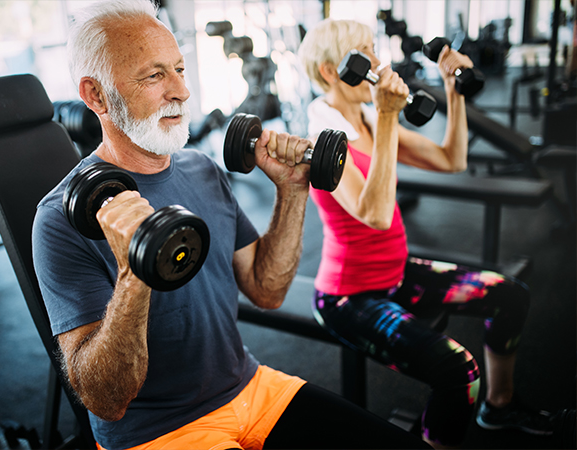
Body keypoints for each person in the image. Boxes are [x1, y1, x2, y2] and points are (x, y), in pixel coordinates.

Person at [32, 1, 429, 449]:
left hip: (251, 388)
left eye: (180, 69)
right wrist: (133, 273)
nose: (181, 90)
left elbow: (267, 289)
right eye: (154, 75)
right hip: (158, 431)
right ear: (97, 95)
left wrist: (293, 191)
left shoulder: (201, 168)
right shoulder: (59, 220)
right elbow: (107, 401)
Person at [298, 18, 554, 449]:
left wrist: (453, 92)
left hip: (396, 272)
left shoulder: (366, 120)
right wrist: (385, 116)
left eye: (374, 50)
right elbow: (375, 214)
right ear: (330, 71)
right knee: (459, 372)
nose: (378, 63)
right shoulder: (321, 143)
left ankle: (500, 405)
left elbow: (452, 159)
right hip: (349, 296)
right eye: (365, 53)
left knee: (511, 295)